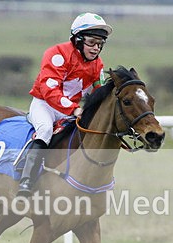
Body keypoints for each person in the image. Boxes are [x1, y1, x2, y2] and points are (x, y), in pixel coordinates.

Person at [17, 12, 113, 197]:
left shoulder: (97, 65)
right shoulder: (57, 54)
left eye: (100, 44)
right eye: (92, 42)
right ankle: (26, 181)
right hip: (45, 105)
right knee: (44, 130)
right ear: (78, 39)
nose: (96, 48)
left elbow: (98, 92)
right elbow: (49, 89)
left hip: (71, 110)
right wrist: (74, 109)